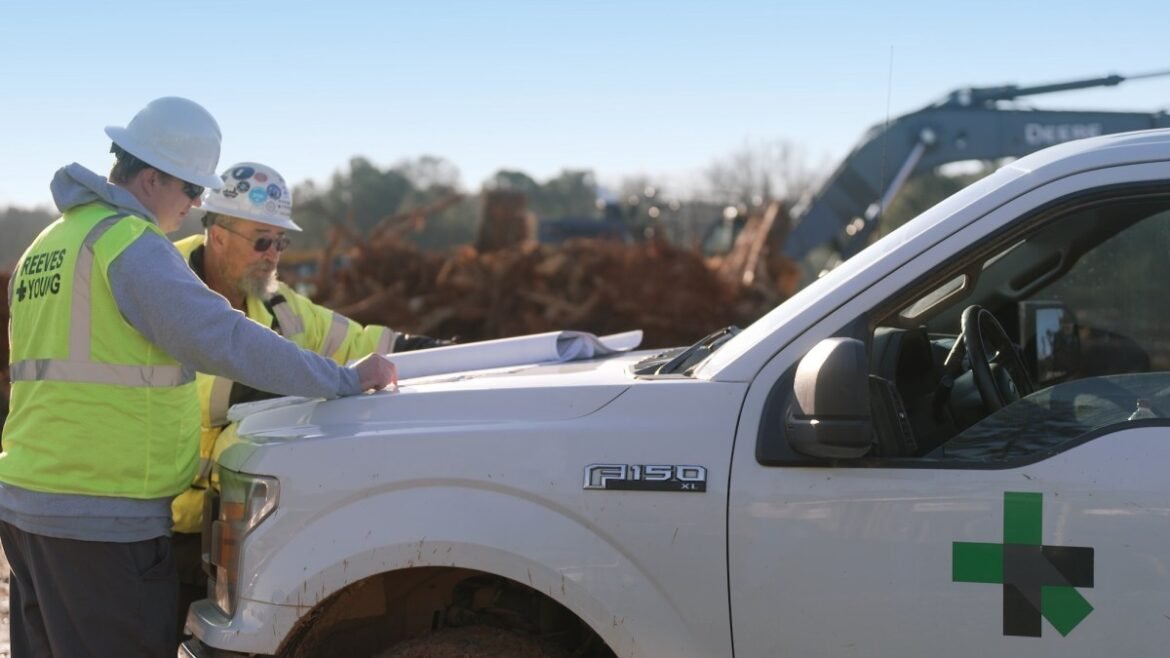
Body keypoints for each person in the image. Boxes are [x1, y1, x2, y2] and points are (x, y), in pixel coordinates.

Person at [0, 97, 397, 657]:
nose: (192, 206)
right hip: (100, 516)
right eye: (189, 190)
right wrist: (344, 381)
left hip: (27, 505)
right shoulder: (130, 246)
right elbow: (225, 337)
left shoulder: (49, 245)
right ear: (152, 176)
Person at [169, 161, 447, 636]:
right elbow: (209, 391)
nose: (272, 255)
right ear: (217, 234)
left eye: (281, 241)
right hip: (157, 521)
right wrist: (307, 379)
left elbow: (356, 342)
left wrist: (442, 352)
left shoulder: (275, 304)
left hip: (227, 521)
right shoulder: (165, 284)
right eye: (261, 240)